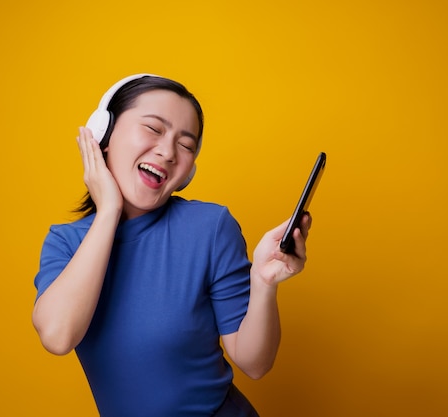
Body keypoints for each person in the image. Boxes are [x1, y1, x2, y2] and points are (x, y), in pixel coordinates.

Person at [32, 74, 311, 417]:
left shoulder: (210, 227)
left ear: (189, 170)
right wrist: (109, 210)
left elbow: (255, 364)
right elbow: (58, 336)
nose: (167, 151)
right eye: (153, 128)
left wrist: (264, 284)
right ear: (103, 135)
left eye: (186, 144)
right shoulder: (65, 242)